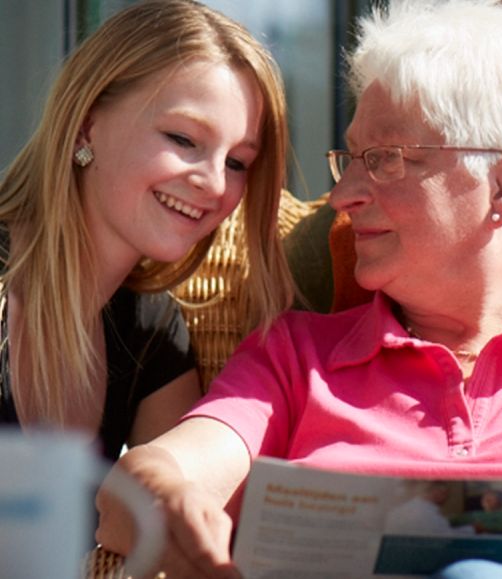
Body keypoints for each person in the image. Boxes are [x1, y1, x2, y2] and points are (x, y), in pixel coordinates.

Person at [95, 0, 502, 577]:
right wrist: (171, 499)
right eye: (349, 159)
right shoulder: (297, 358)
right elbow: (146, 486)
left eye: (385, 159)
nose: (343, 194)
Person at [0, 0, 294, 460]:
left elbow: (167, 515)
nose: (215, 184)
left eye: (237, 162)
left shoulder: (153, 328)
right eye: (183, 139)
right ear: (86, 125)